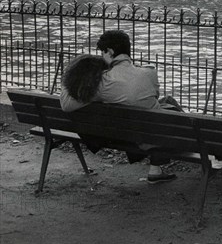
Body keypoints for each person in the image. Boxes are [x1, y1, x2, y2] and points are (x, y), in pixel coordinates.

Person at [60, 30, 179, 184]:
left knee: (162, 105)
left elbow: (67, 105)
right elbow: (153, 97)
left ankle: (155, 170)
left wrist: (70, 77)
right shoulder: (149, 73)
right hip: (159, 134)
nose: (102, 57)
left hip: (130, 137)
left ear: (110, 51)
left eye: (102, 52)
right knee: (168, 103)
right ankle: (155, 169)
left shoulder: (102, 83)